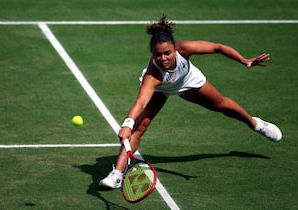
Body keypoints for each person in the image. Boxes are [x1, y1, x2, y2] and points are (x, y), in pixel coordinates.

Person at [99, 15, 282, 189]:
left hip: (187, 81)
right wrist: (127, 124)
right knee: (138, 128)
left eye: (167, 53)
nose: (163, 58)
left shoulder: (185, 48)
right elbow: (140, 102)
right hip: (161, 89)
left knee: (222, 105)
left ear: (175, 49)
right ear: (152, 54)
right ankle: (117, 174)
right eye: (157, 55)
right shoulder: (152, 76)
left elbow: (217, 47)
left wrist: (244, 61)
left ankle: (256, 124)